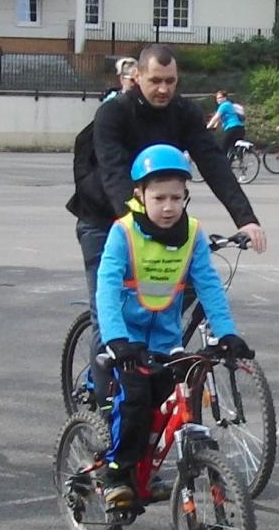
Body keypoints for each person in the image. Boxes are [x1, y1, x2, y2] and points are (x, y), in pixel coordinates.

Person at [69, 45, 266, 338]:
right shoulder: (113, 113)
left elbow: (213, 163)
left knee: (179, 292)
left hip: (158, 215)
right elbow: (114, 174)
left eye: (170, 81)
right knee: (111, 319)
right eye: (155, 80)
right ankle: (105, 382)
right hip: (103, 218)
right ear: (137, 77)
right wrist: (141, 227)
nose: (163, 89)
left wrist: (245, 218)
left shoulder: (184, 113)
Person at [93, 144, 250, 505]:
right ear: (140, 195)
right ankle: (116, 469)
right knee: (133, 400)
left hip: (166, 339)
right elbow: (107, 286)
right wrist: (116, 340)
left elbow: (208, 284)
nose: (168, 207)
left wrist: (226, 331)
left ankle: (149, 471)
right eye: (159, 197)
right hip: (126, 338)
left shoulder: (192, 234)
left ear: (186, 197)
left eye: (176, 198)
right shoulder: (124, 232)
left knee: (172, 404)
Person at [205, 89, 245, 154]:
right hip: (240, 128)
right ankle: (235, 160)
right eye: (217, 98)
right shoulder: (229, 105)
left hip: (232, 129)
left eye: (220, 98)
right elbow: (218, 119)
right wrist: (215, 127)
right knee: (232, 148)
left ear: (225, 98)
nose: (218, 100)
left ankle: (222, 163)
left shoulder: (224, 105)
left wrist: (206, 127)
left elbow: (215, 118)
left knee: (222, 148)